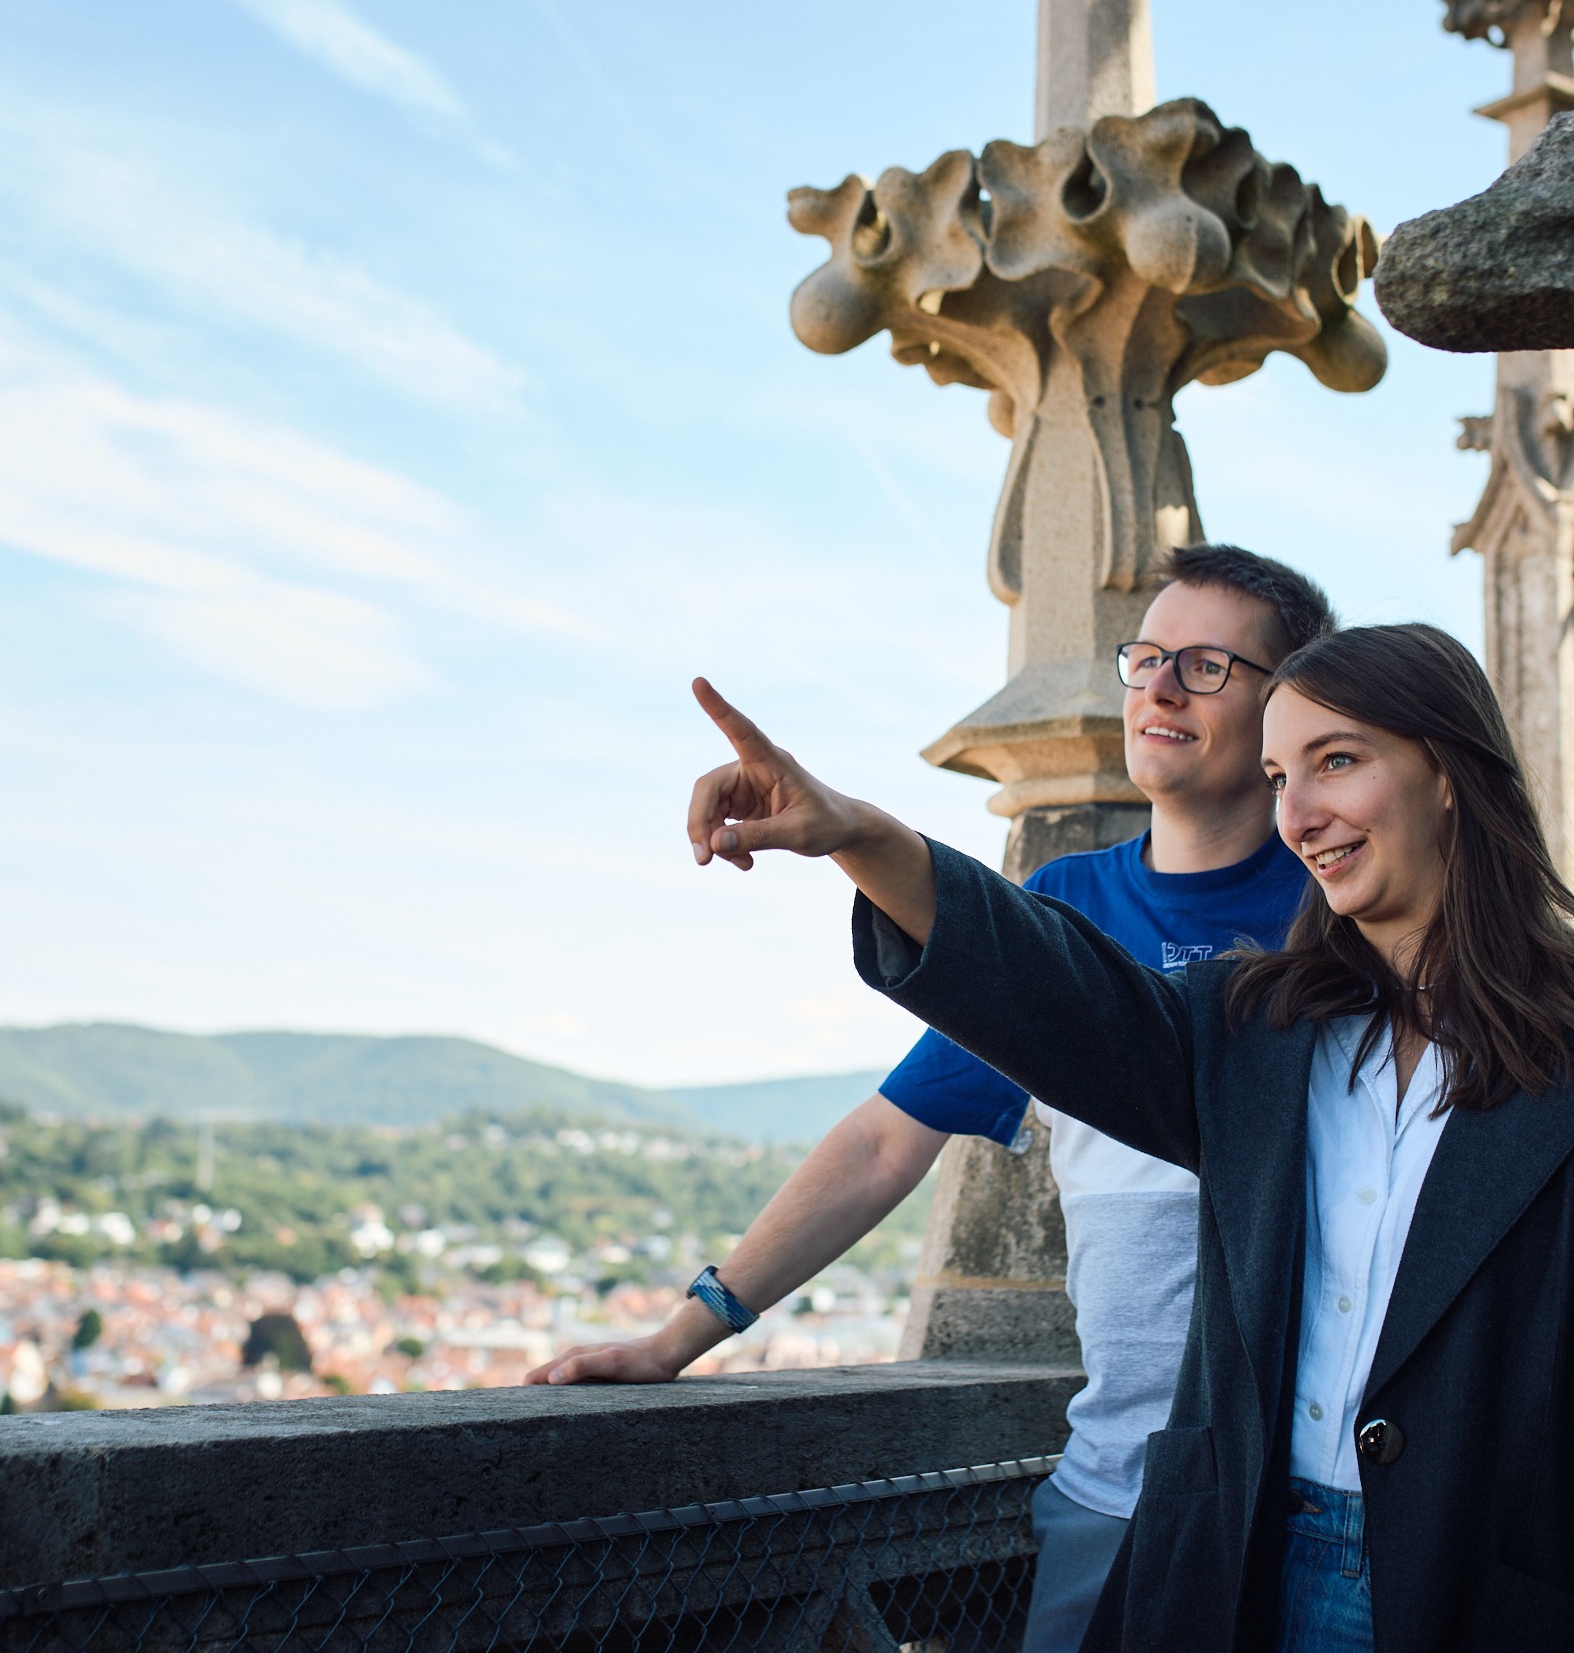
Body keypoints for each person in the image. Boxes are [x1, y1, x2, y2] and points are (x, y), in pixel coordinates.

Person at [677, 621, 1574, 1653]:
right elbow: (1045, 977)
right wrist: (857, 835)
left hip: (1470, 1592)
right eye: (1281, 773)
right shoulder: (1249, 1023)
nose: (1296, 812)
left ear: (1449, 774)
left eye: (1336, 760)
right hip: (1222, 1566)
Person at [530, 546, 1338, 1653]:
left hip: (1319, 1499)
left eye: (1206, 665)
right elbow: (881, 1142)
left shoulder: (1341, 908)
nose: (1156, 687)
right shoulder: (1064, 909)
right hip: (1119, 1481)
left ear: (1286, 706)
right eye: (1146, 655)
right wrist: (685, 1332)